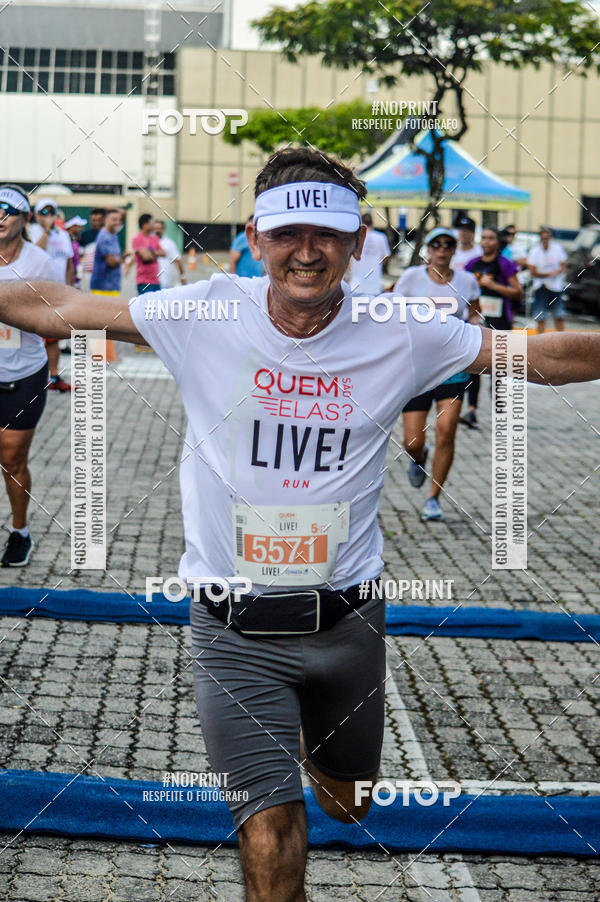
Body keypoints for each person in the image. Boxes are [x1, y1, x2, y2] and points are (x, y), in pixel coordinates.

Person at [2, 147, 600, 902]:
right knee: (270, 828)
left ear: (358, 242)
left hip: (348, 625)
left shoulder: (404, 328)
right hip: (232, 629)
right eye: (288, 234)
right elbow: (57, 305)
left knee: (347, 804)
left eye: (328, 234)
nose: (307, 252)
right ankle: (271, 755)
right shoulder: (204, 311)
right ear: (255, 238)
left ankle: (318, 749)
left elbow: (539, 355)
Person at [398, 227, 480, 520]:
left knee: (447, 432)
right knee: (412, 443)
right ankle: (419, 457)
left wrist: (477, 329)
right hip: (417, 370)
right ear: (428, 249)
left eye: (448, 245)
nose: (442, 250)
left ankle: (434, 499)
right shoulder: (410, 279)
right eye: (436, 245)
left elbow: (474, 314)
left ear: (454, 249)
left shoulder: (467, 281)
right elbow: (392, 313)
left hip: (453, 369)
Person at [0, 185, 56, 566]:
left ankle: (19, 531)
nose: (0, 219)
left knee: (11, 459)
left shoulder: (39, 262)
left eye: (8, 212)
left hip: (23, 374)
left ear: (23, 219)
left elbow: (52, 314)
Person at [460, 228, 524, 428]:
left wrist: (494, 286)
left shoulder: (505, 265)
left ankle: (499, 403)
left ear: (497, 242)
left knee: (500, 364)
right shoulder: (472, 264)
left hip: (500, 319)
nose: (486, 242)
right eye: (484, 238)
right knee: (475, 363)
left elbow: (517, 292)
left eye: (491, 238)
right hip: (477, 319)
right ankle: (472, 410)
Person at [29, 198, 74, 391]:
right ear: (36, 215)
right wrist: (46, 231)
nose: (49, 216)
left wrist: (71, 288)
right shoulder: (31, 232)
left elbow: (69, 263)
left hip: (58, 292)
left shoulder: (63, 235)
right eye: (44, 213)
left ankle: (54, 376)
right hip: (35, 291)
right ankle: (32, 377)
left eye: (52, 213)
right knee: (33, 337)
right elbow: (33, 254)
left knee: (53, 336)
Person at [90, 208, 129, 363]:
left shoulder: (113, 235)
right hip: (103, 286)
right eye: (113, 219)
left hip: (110, 285)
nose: (117, 222)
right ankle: (101, 355)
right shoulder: (105, 236)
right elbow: (111, 262)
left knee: (107, 321)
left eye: (119, 220)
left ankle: (106, 354)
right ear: (106, 220)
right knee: (103, 321)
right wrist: (123, 257)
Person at [527, 226, 568, 333]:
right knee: (540, 317)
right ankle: (541, 340)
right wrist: (549, 274)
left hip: (555, 286)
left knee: (559, 315)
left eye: (547, 238)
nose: (545, 241)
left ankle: (562, 340)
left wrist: (557, 272)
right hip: (541, 286)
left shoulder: (557, 248)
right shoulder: (535, 251)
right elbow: (532, 271)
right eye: (543, 238)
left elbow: (563, 265)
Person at [347, 212, 391, 295]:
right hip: (374, 286)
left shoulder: (355, 237)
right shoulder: (381, 237)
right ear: (372, 223)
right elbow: (386, 257)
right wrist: (376, 264)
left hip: (356, 285)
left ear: (361, 223)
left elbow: (349, 258)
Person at [132, 213, 165, 294]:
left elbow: (163, 253)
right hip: (144, 282)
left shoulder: (154, 238)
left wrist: (151, 252)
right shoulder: (137, 239)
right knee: (146, 306)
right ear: (145, 225)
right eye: (152, 223)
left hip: (156, 281)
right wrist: (156, 254)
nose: (154, 226)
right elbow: (146, 257)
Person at [155, 220, 186, 289]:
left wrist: (182, 277)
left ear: (164, 229)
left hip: (165, 282)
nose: (157, 231)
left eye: (160, 229)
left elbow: (178, 260)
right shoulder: (149, 242)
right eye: (156, 229)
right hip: (151, 282)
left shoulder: (169, 243)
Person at [65, 215, 87, 289]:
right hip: (69, 284)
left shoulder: (75, 242)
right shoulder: (66, 241)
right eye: (79, 226)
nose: (81, 228)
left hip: (76, 282)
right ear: (72, 227)